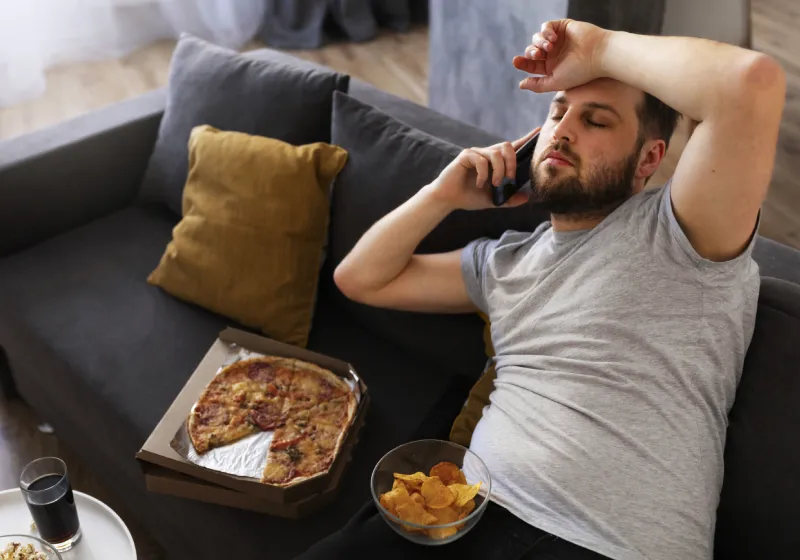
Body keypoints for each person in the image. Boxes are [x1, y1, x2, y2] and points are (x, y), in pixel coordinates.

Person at [296, 18, 786, 560]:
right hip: (460, 518)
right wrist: (441, 195)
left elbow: (752, 83)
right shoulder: (503, 261)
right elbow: (360, 278)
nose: (564, 131)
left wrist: (597, 50)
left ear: (648, 160)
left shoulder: (682, 231)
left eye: (595, 120)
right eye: (556, 115)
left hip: (603, 544)